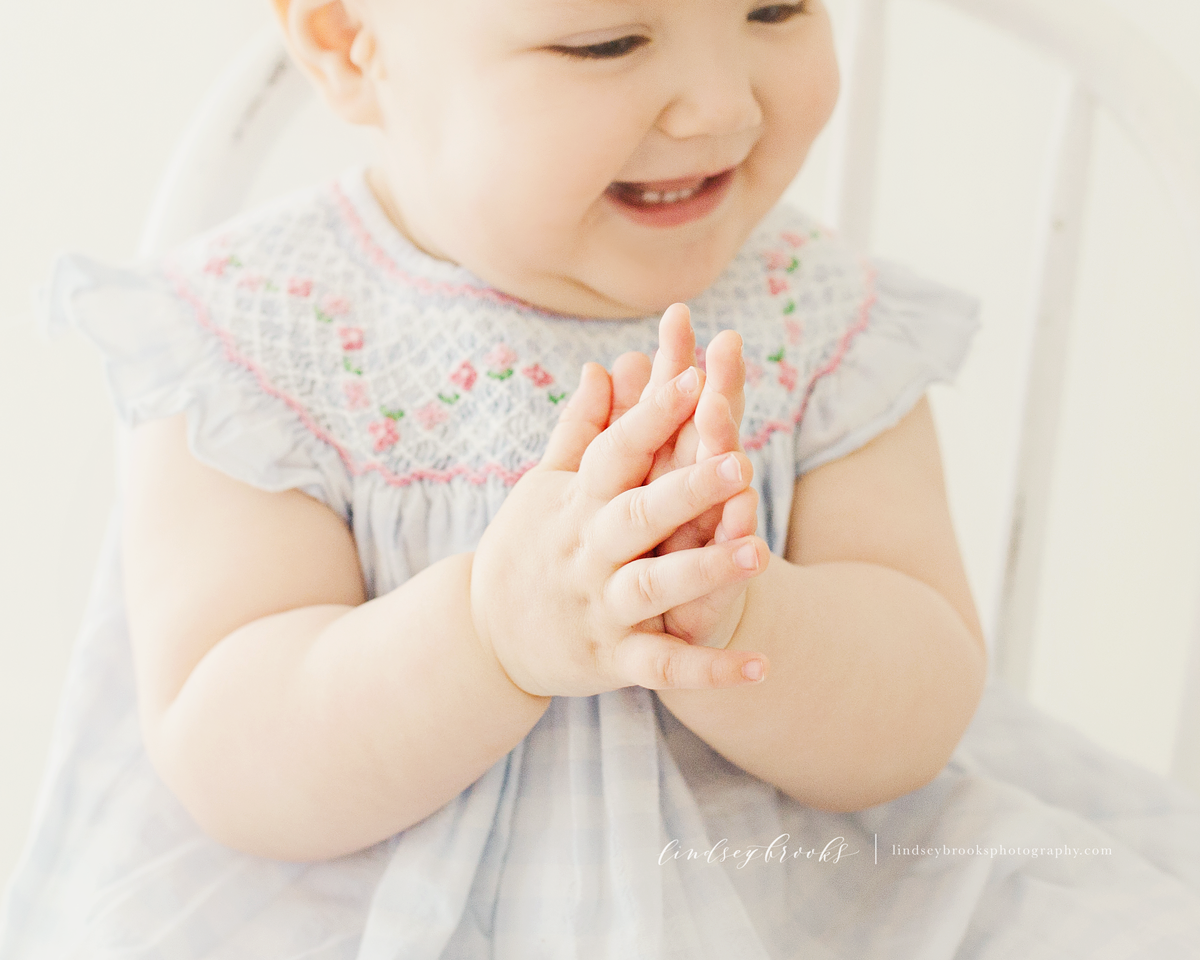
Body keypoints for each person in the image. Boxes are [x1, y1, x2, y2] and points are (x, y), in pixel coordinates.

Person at [3, 0, 1199, 957]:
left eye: (777, 8)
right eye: (608, 41)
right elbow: (233, 745)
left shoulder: (816, 318)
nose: (723, 104)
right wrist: (489, 634)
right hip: (373, 901)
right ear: (350, 40)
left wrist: (749, 619)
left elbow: (921, 698)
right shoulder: (261, 336)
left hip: (807, 889)